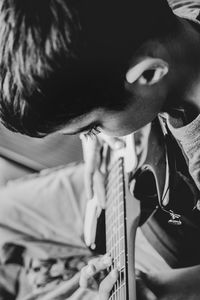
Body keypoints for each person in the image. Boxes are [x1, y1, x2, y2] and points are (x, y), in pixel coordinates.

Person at [0, 0, 200, 298]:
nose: (91, 136)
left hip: (165, 241)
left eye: (91, 127)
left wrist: (158, 290)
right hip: (129, 165)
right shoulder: (173, 17)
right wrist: (93, 138)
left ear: (149, 73)